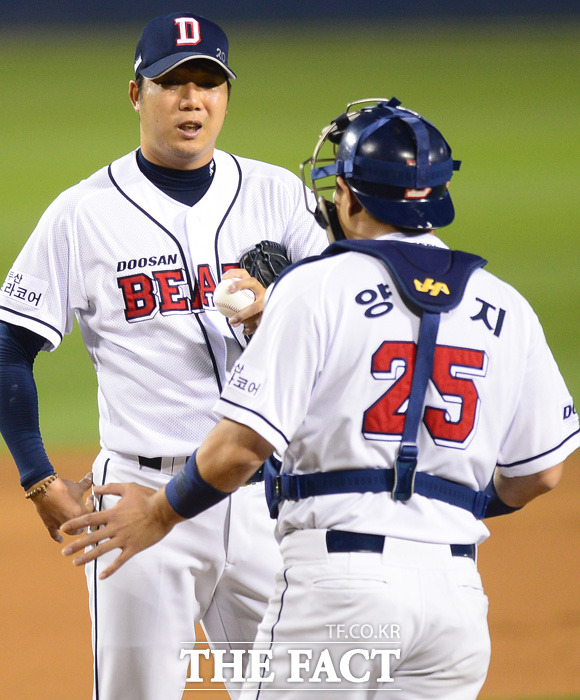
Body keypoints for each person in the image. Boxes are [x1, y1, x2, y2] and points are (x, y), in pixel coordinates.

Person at [62, 97, 579, 699]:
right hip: (455, 603)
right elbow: (541, 474)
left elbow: (237, 451)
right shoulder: (507, 307)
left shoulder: (315, 286)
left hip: (339, 591)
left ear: (353, 198)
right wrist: (437, 511)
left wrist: (156, 514)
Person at [0, 10, 326, 700]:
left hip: (270, 496)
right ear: (135, 93)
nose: (191, 100)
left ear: (227, 95)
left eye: (208, 83)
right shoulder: (82, 214)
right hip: (141, 504)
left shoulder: (281, 196)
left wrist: (282, 308)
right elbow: (9, 349)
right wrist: (36, 478)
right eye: (172, 83)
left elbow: (347, 325)